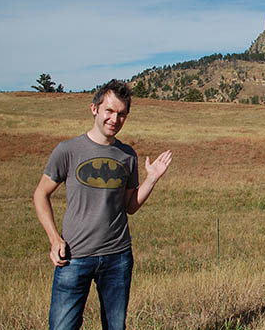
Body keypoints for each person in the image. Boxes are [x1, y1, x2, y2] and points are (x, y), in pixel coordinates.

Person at [33, 79, 173, 330]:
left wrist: (152, 179)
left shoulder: (127, 155)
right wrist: (54, 239)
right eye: (109, 111)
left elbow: (130, 206)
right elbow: (40, 195)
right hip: (74, 256)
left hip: (117, 257)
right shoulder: (68, 150)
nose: (114, 119)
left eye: (121, 114)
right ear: (94, 108)